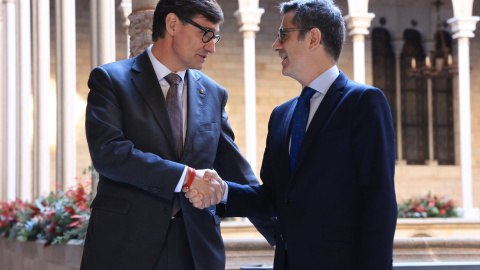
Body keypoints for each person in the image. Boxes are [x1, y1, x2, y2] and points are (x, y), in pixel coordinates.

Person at [186, 0, 398, 269]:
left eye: (283, 35)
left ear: (313, 38)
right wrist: (223, 192)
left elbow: (379, 202)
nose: (276, 45)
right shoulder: (281, 116)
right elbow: (273, 198)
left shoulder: (363, 102)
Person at [81, 0, 275, 269]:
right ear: (172, 24)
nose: (212, 46)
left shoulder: (214, 93)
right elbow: (109, 153)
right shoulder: (111, 81)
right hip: (126, 247)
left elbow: (235, 169)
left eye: (215, 36)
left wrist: (281, 236)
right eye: (206, 33)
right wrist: (187, 178)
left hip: (196, 248)